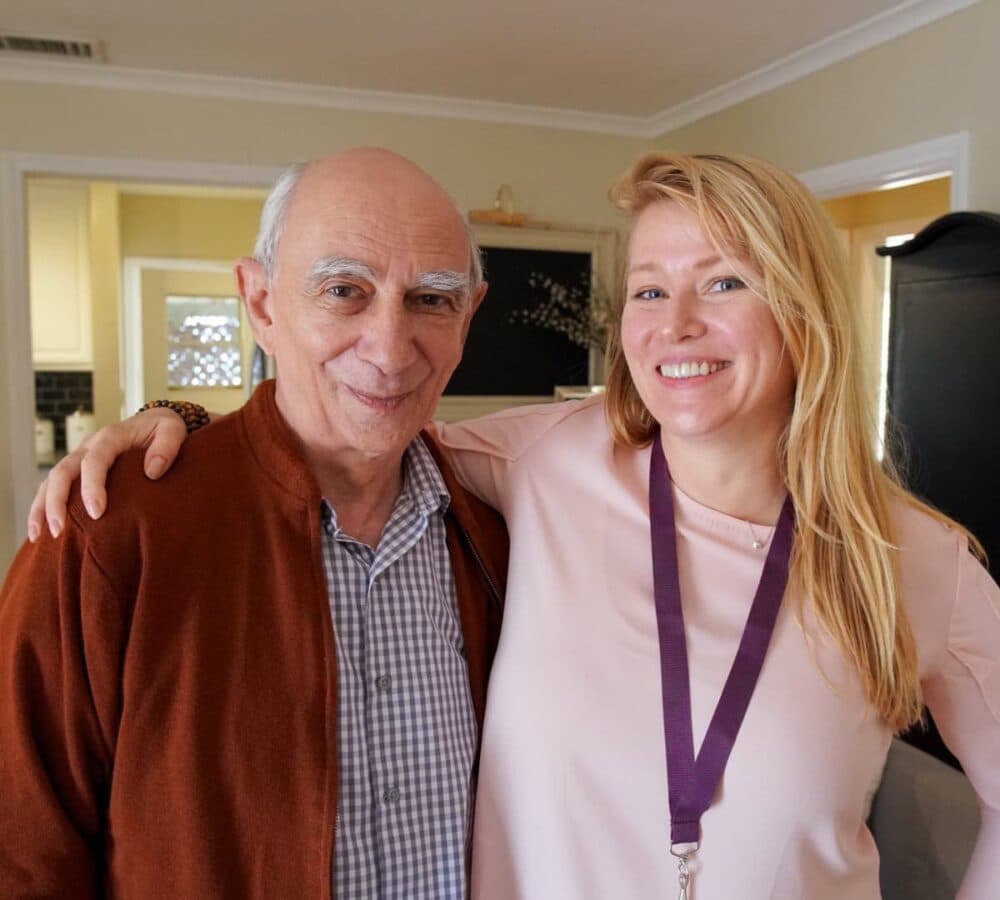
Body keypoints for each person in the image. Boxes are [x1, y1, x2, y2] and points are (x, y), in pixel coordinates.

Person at [27, 153, 1000, 899]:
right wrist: (183, 426)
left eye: (726, 282)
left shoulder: (918, 560)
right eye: (651, 289)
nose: (676, 324)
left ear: (804, 308)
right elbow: (351, 424)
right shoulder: (551, 463)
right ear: (257, 301)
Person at [0, 148, 509, 899]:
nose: (390, 348)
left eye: (432, 299)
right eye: (344, 290)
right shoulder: (110, 533)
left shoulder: (501, 531)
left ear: (469, 316)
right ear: (262, 303)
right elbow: (23, 853)